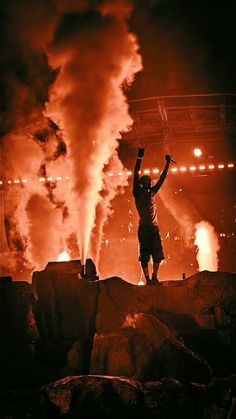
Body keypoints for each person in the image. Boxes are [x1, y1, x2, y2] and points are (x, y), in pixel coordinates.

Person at [133, 146, 172, 285]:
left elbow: (162, 179)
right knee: (144, 256)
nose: (151, 184)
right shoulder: (137, 193)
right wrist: (139, 158)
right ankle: (148, 279)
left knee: (157, 255)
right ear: (143, 185)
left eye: (150, 183)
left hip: (154, 228)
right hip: (144, 228)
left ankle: (154, 277)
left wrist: (167, 164)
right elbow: (135, 175)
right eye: (148, 183)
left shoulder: (152, 193)